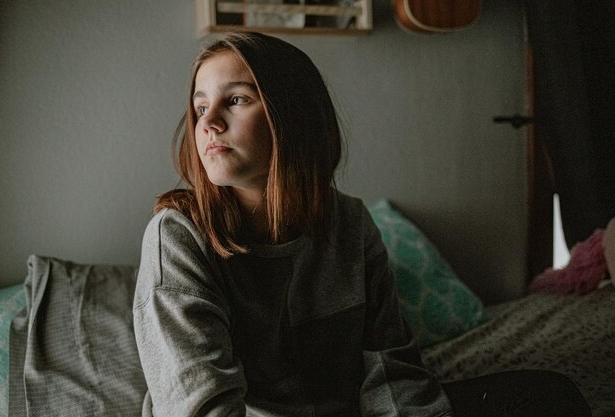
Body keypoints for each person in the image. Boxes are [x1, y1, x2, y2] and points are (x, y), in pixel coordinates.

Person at [133, 32, 592, 417]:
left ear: (292, 116)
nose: (208, 122)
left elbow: (389, 369)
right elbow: (200, 405)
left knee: (549, 394)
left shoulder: (349, 223)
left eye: (235, 99)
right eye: (199, 107)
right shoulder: (177, 235)